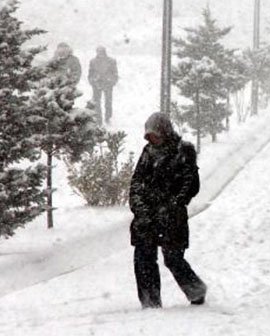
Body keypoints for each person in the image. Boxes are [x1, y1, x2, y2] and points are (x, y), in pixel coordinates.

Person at [129, 112, 207, 308]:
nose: (152, 139)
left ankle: (195, 290)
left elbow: (191, 184)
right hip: (147, 216)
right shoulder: (147, 152)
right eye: (149, 136)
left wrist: (172, 204)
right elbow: (136, 183)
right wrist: (140, 209)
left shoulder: (183, 151)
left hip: (172, 216)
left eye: (155, 134)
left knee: (173, 258)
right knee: (143, 258)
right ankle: (150, 302)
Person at [88, 46, 118, 124]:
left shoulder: (111, 61)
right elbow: (90, 73)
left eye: (102, 52)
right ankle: (98, 119)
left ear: (105, 52)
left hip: (108, 84)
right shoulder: (93, 61)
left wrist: (112, 81)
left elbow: (115, 73)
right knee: (97, 102)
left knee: (108, 102)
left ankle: (108, 117)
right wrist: (92, 81)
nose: (100, 53)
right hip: (96, 84)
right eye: (98, 52)